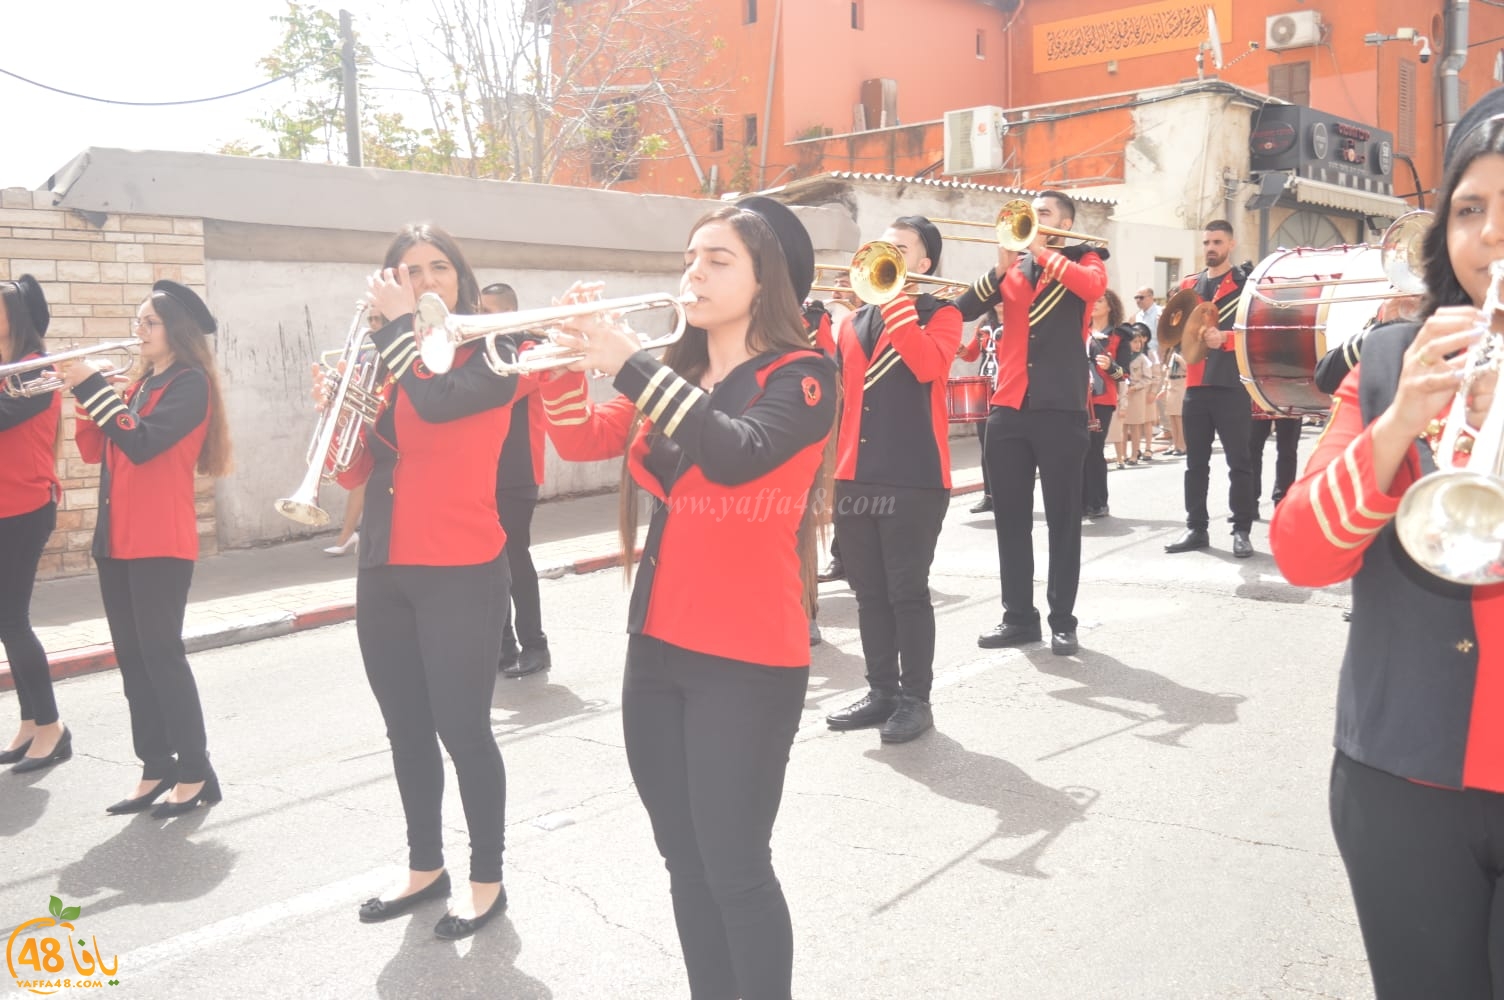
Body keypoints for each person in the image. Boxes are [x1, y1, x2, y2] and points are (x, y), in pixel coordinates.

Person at [538, 197, 836, 1000]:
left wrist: (632, 363)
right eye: (689, 257)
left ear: (765, 278)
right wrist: (566, 362)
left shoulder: (804, 378)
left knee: (736, 869)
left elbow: (736, 453)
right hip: (659, 649)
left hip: (747, 658)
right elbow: (579, 437)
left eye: (717, 259)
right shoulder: (677, 372)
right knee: (684, 861)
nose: (692, 273)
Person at [1269, 90, 1504, 999]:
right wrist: (1401, 419)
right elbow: (1301, 555)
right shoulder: (1388, 363)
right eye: (1471, 210)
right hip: (1400, 776)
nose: (1489, 237)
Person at [330, 225, 517, 940]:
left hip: (461, 566)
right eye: (409, 270)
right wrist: (341, 411)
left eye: (439, 266)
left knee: (464, 730)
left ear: (461, 279)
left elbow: (439, 404)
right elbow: (357, 473)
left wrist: (398, 333)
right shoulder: (385, 360)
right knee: (405, 728)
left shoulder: (498, 350)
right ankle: (424, 866)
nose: (426, 278)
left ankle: (486, 878)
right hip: (385, 563)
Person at [57, 281, 232, 812]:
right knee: (133, 660)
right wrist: (92, 399)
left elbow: (142, 442)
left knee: (161, 655)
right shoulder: (136, 386)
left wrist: (94, 390)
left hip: (160, 540)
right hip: (117, 539)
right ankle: (156, 766)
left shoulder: (190, 383)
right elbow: (97, 450)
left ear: (175, 331)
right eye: (138, 320)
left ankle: (197, 771)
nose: (139, 330)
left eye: (149, 322)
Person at [823, 216, 962, 743]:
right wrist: (836, 315)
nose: (887, 253)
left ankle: (915, 699)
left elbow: (927, 367)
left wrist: (893, 299)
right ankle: (881, 690)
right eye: (882, 247)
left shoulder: (941, 314)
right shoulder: (855, 319)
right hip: (856, 474)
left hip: (914, 474)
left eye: (900, 248)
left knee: (907, 592)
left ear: (923, 264)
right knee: (869, 592)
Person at [953, 190, 1108, 656]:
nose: (1032, 221)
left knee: (1063, 520)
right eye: (1029, 215)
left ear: (1063, 222)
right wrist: (1001, 267)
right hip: (1009, 405)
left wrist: (1040, 249)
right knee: (1011, 520)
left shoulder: (1088, 258)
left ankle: (1063, 619)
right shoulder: (1013, 270)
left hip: (1061, 407)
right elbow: (961, 309)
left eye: (1042, 215)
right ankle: (1018, 617)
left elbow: (1091, 290)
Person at [0, 276, 68, 773]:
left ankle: (52, 727)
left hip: (24, 507)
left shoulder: (34, 371)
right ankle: (29, 723)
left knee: (12, 621)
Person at [1165, 220, 1256, 559]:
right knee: (1195, 463)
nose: (1210, 248)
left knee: (1240, 462)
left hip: (1232, 384)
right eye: (1206, 242)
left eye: (1217, 242)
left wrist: (1227, 339)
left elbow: (1255, 332)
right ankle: (1196, 527)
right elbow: (1173, 331)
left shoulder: (1246, 285)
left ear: (1231, 244)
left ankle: (1242, 530)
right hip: (1196, 385)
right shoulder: (1190, 286)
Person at [480, 282, 553, 678]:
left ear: (509, 313)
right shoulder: (480, 353)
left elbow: (505, 389)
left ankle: (535, 645)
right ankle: (503, 646)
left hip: (517, 470)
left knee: (514, 558)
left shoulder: (529, 349)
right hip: (483, 469)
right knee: (491, 562)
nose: (481, 320)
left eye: (490, 313)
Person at [1083, 294, 1126, 518]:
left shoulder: (1119, 335)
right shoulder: (1079, 331)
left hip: (1102, 398)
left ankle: (1098, 501)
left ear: (1110, 306)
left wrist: (1111, 366)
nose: (1094, 304)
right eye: (1093, 301)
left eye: (1099, 301)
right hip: (1076, 397)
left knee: (1093, 448)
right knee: (1077, 450)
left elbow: (1123, 374)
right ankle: (1081, 501)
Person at [958, 310, 999, 513]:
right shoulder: (983, 326)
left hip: (1008, 389)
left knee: (1008, 447)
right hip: (983, 391)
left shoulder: (1019, 320)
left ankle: (1008, 495)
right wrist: (960, 349)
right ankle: (989, 496)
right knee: (986, 446)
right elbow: (971, 355)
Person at [1247, 411, 1301, 518]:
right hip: (1259, 401)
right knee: (1252, 451)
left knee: (1287, 451)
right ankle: (1250, 503)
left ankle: (1282, 503)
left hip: (1290, 402)